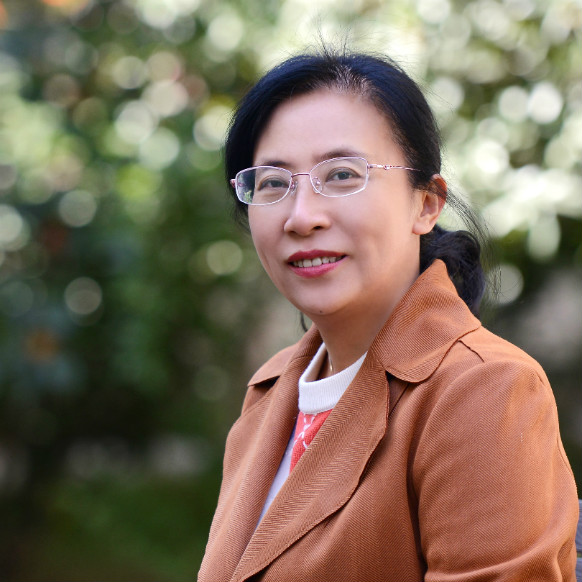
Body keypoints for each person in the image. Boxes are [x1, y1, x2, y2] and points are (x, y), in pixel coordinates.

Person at [198, 48, 579, 582]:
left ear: (426, 203)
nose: (301, 217)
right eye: (274, 183)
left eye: (341, 174)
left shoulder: (483, 389)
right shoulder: (272, 390)